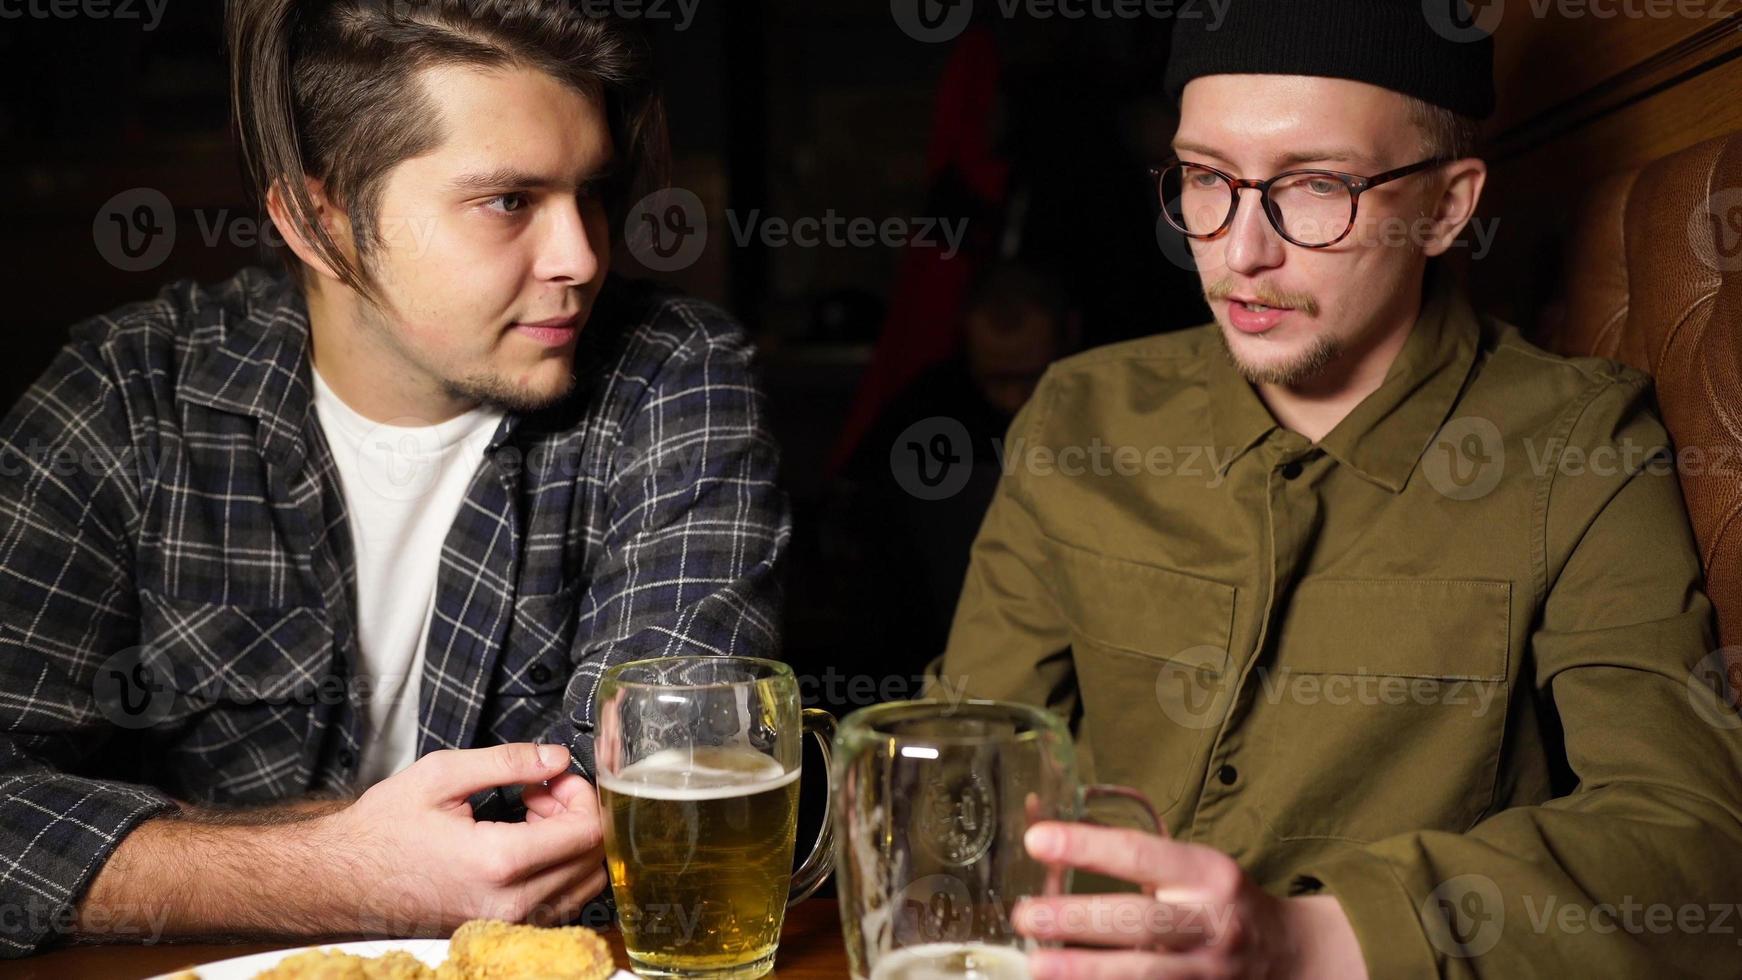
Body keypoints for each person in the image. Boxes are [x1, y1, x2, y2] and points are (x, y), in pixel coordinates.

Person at [933, 3, 1742, 976]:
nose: (1239, 252)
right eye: (1204, 180)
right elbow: (961, 766)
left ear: (1445, 207)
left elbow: (1691, 847)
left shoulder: (1577, 447)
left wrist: (1302, 939)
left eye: (1312, 186)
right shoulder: (1079, 414)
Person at [0, 0, 787, 955]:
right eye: (508, 201)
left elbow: (642, 796)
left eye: (593, 193)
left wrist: (184, 855)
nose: (581, 255)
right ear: (315, 218)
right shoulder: (126, 400)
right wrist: (333, 869)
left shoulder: (672, 375)